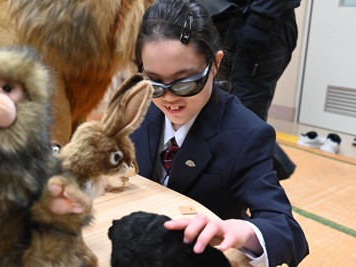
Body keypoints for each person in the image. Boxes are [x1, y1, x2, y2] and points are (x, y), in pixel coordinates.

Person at [130, 0, 308, 266]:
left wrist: (241, 231)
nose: (169, 98)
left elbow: (288, 232)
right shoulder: (140, 107)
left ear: (214, 64)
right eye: (154, 83)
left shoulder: (246, 134)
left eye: (186, 82)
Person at [198, 0, 300, 180]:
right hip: (224, 24)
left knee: (242, 118)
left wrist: (259, 23)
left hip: (259, 27)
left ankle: (251, 194)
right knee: (220, 114)